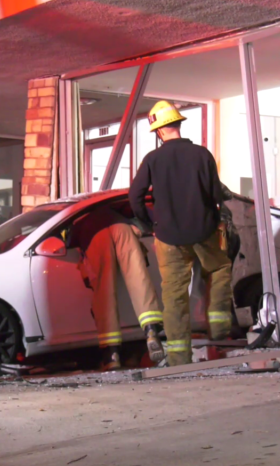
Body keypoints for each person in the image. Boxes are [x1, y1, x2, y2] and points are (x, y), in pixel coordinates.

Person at [128, 101, 233, 367]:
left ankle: (178, 357)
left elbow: (135, 196)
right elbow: (214, 193)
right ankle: (220, 327)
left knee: (174, 296)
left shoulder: (153, 159)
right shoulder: (202, 154)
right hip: (204, 231)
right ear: (177, 124)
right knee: (220, 269)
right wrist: (213, 215)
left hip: (168, 237)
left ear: (159, 131)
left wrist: (149, 223)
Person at [68, 205, 164, 369]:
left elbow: (69, 244)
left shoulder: (76, 221)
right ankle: (151, 331)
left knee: (104, 292)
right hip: (123, 228)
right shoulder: (113, 211)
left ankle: (111, 356)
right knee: (139, 278)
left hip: (96, 235)